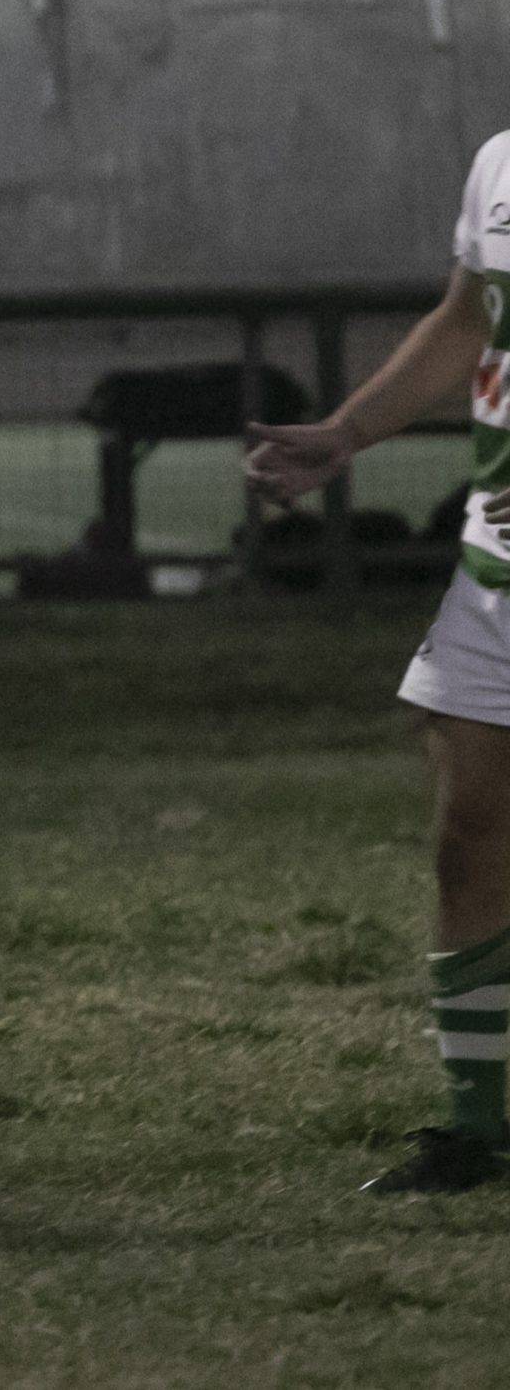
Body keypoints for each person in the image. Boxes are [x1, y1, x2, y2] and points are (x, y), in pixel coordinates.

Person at [246, 129, 510, 1192]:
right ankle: (479, 1128)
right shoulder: (500, 161)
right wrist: (347, 432)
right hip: (497, 571)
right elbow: (464, 320)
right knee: (467, 838)